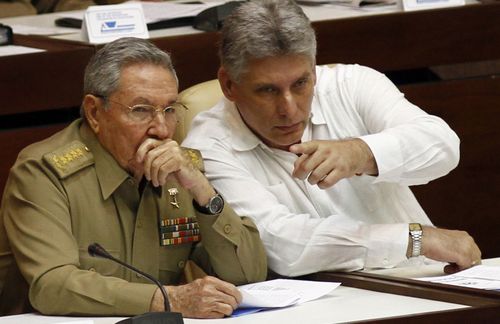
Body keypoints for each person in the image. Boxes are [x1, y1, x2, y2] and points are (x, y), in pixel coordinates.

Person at [182, 0, 481, 277]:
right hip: (316, 307)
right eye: (267, 90)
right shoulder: (207, 146)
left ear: (314, 70)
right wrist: (413, 238)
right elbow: (279, 244)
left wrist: (361, 153)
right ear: (228, 85)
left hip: (423, 277)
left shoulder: (351, 85)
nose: (289, 108)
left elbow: (442, 146)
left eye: (300, 83)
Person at [0, 37, 267, 318]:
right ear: (94, 112)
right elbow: (52, 286)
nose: (162, 129)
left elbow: (249, 274)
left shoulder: (181, 174)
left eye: (170, 110)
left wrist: (203, 193)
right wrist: (169, 300)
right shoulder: (43, 173)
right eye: (141, 110)